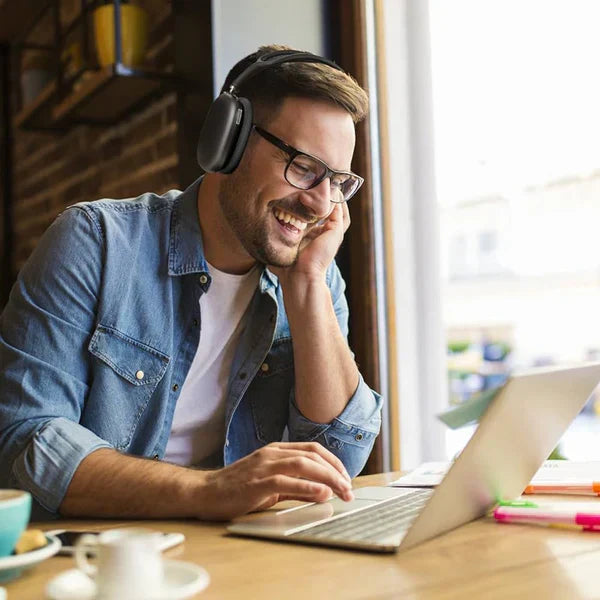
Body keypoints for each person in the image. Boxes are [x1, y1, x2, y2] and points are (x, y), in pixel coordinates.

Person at [0, 45, 382, 520]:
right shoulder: (96, 243)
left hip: (238, 561)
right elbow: (27, 441)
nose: (321, 205)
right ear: (230, 142)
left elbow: (338, 461)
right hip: (99, 561)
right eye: (304, 168)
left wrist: (306, 286)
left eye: (338, 182)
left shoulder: (317, 278)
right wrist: (210, 491)